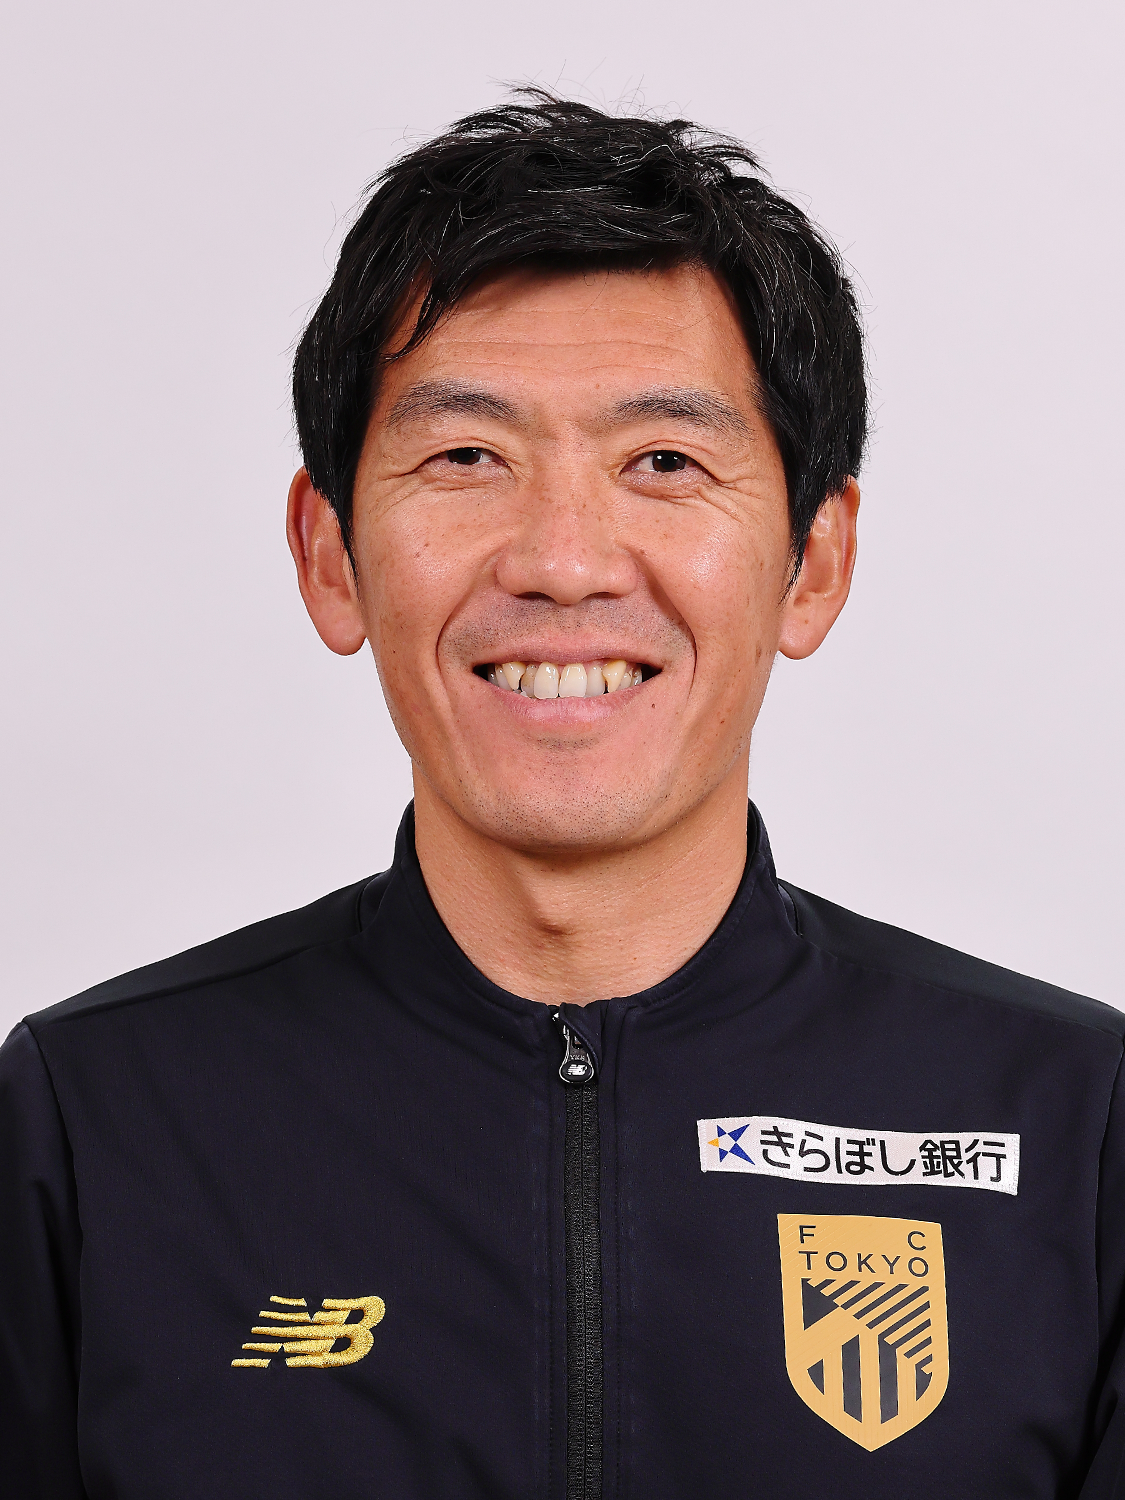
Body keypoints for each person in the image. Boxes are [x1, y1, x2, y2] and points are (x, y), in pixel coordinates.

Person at [1, 92, 1122, 1500]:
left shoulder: (1078, 1125)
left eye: (665, 462)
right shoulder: (93, 1123)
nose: (565, 561)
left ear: (815, 561)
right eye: (467, 457)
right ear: (331, 556)